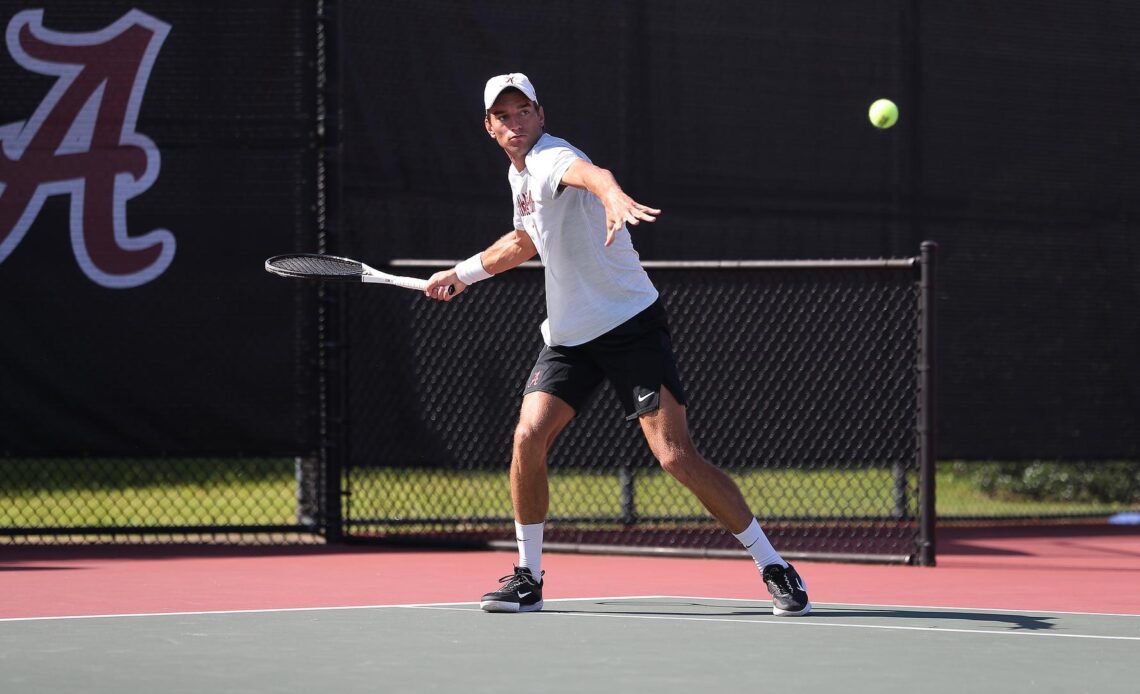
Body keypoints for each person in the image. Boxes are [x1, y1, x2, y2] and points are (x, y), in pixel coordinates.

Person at [424, 73, 811, 617]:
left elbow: (594, 174)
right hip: (570, 337)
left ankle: (773, 563)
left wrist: (612, 196)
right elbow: (524, 240)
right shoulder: (521, 179)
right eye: (503, 116)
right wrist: (462, 273)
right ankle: (528, 577)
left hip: (629, 324)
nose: (516, 123)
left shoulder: (551, 158)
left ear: (541, 115)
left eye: (523, 112)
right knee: (527, 437)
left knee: (675, 457)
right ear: (489, 127)